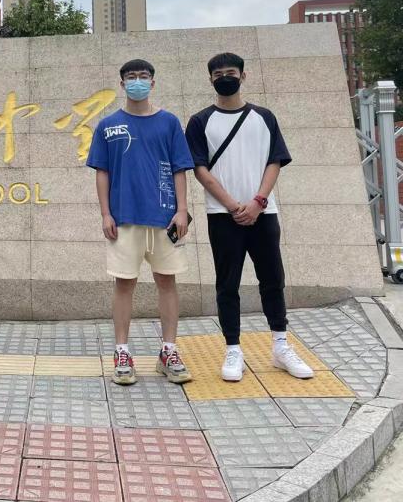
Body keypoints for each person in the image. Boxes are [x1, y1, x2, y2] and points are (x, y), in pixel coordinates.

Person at [185, 52, 313, 382]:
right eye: (218, 74)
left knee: (273, 279)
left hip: (264, 213)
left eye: (231, 72)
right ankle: (233, 349)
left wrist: (258, 202)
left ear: (243, 76)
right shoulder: (200, 121)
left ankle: (281, 346)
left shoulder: (264, 117)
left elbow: (275, 161)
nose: (224, 78)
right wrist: (232, 205)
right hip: (221, 215)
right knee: (227, 283)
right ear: (210, 79)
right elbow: (199, 169)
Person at [87, 59, 194, 386]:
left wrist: (182, 210)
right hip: (124, 219)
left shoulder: (169, 122)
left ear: (153, 82)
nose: (137, 81)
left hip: (164, 218)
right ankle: (121, 352)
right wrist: (106, 213)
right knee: (124, 284)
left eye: (143, 76)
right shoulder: (108, 126)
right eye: (131, 77)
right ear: (122, 84)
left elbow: (180, 168)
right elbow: (102, 172)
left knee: (167, 281)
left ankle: (169, 351)